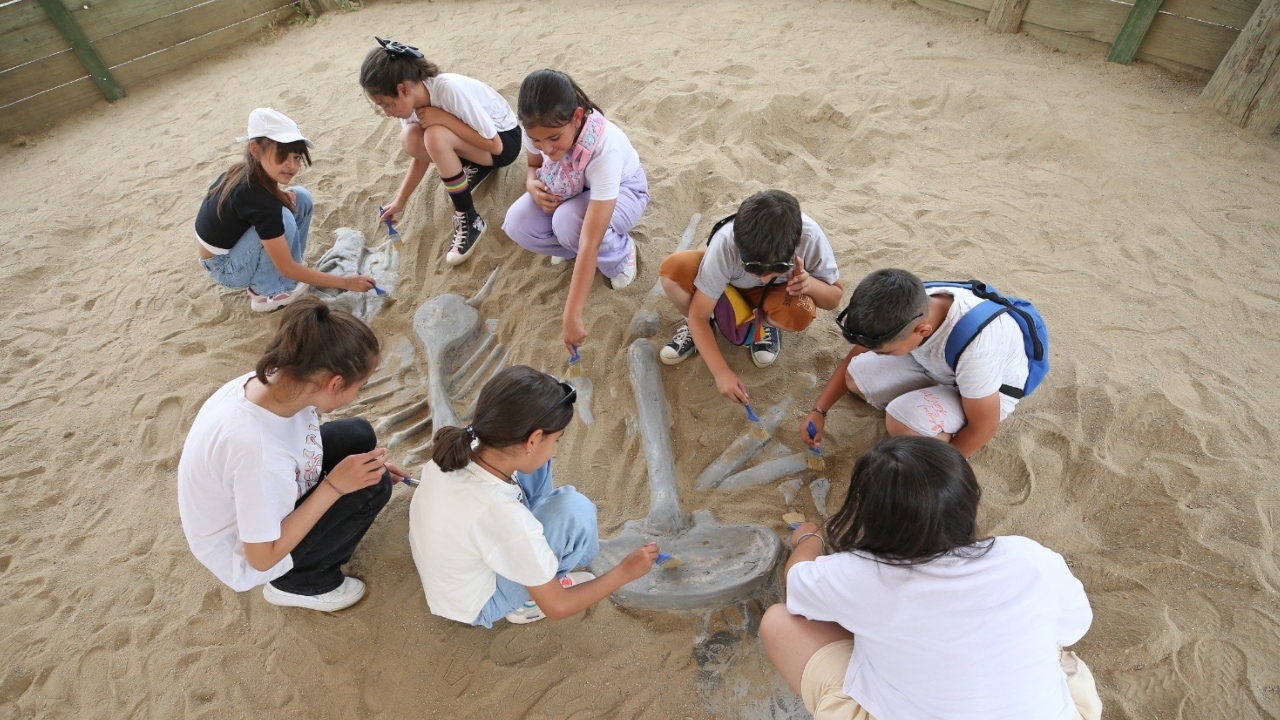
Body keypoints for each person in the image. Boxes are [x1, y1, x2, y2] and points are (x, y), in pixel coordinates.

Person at [761, 436, 1102, 720]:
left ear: (871, 517)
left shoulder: (861, 573)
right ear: (969, 501)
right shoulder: (1027, 557)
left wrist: (807, 540)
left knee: (778, 621)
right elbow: (1074, 627)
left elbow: (797, 583)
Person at [177, 297, 403, 611]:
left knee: (358, 435)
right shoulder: (257, 454)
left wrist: (354, 473)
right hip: (246, 550)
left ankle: (308, 557)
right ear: (333, 383)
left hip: (256, 495)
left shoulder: (275, 377)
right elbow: (261, 556)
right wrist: (335, 486)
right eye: (359, 387)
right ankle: (300, 583)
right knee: (373, 490)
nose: (357, 394)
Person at [408, 366, 659, 627]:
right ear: (533, 439)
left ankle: (535, 565)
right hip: (478, 603)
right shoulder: (507, 519)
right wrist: (625, 572)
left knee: (536, 467)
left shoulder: (458, 450)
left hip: (455, 574)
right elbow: (558, 606)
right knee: (575, 513)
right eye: (556, 440)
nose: (553, 450)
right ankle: (526, 601)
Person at [804, 268, 1040, 458]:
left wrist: (941, 475)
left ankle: (932, 429)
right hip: (941, 366)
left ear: (922, 331)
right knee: (856, 377)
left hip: (986, 393)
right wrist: (819, 410)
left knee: (902, 424)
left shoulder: (978, 349)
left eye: (886, 352)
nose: (877, 355)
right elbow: (859, 352)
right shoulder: (909, 304)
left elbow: (983, 427)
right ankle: (920, 397)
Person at [502, 69, 650, 352]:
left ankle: (621, 255)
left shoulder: (604, 151)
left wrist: (571, 314)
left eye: (554, 138)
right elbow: (533, 166)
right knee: (517, 222)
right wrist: (532, 185)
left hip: (625, 190)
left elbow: (590, 241)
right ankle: (569, 247)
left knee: (571, 224)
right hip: (571, 188)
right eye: (536, 140)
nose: (546, 147)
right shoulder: (538, 128)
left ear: (577, 117)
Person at [658, 189, 844, 396]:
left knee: (800, 311)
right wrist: (721, 372)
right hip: (729, 288)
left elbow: (834, 298)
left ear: (794, 248)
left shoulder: (810, 237)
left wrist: (809, 284)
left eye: (777, 269)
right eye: (754, 268)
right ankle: (701, 331)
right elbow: (699, 315)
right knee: (672, 272)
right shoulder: (726, 242)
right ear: (738, 240)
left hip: (774, 295)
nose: (764, 278)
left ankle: (762, 325)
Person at [360, 37, 522, 266]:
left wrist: (442, 118)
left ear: (403, 89)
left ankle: (470, 218)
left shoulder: (447, 90)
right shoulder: (410, 105)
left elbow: (495, 144)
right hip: (478, 146)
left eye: (387, 104)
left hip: (505, 141)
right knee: (410, 138)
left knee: (435, 135)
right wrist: (400, 200)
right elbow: (420, 156)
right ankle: (474, 166)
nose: (387, 112)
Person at [195, 108, 377, 313]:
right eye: (282, 155)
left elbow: (254, 207)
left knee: (300, 197)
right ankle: (266, 292)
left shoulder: (247, 173)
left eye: (297, 157)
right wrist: (347, 282)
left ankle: (284, 271)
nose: (292, 165)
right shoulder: (256, 198)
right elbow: (286, 267)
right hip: (226, 268)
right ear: (256, 149)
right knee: (281, 217)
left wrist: (279, 196)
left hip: (231, 250)